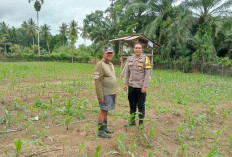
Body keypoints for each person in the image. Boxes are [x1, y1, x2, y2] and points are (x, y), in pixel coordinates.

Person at [123, 42, 151, 129]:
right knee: (132, 105)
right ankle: (131, 122)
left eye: (139, 48)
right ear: (133, 49)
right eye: (136, 48)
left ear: (142, 50)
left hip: (140, 87)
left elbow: (147, 74)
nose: (137, 49)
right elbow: (127, 72)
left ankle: (141, 124)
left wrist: (145, 86)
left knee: (141, 106)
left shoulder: (146, 59)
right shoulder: (130, 59)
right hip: (131, 86)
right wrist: (125, 83)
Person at [94, 46, 117, 138]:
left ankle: (105, 127)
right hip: (105, 93)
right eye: (108, 53)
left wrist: (115, 92)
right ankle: (100, 131)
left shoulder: (110, 64)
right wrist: (100, 96)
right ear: (103, 53)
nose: (110, 55)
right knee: (103, 111)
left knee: (106, 110)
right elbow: (97, 80)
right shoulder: (100, 64)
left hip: (111, 92)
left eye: (111, 53)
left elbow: (113, 78)